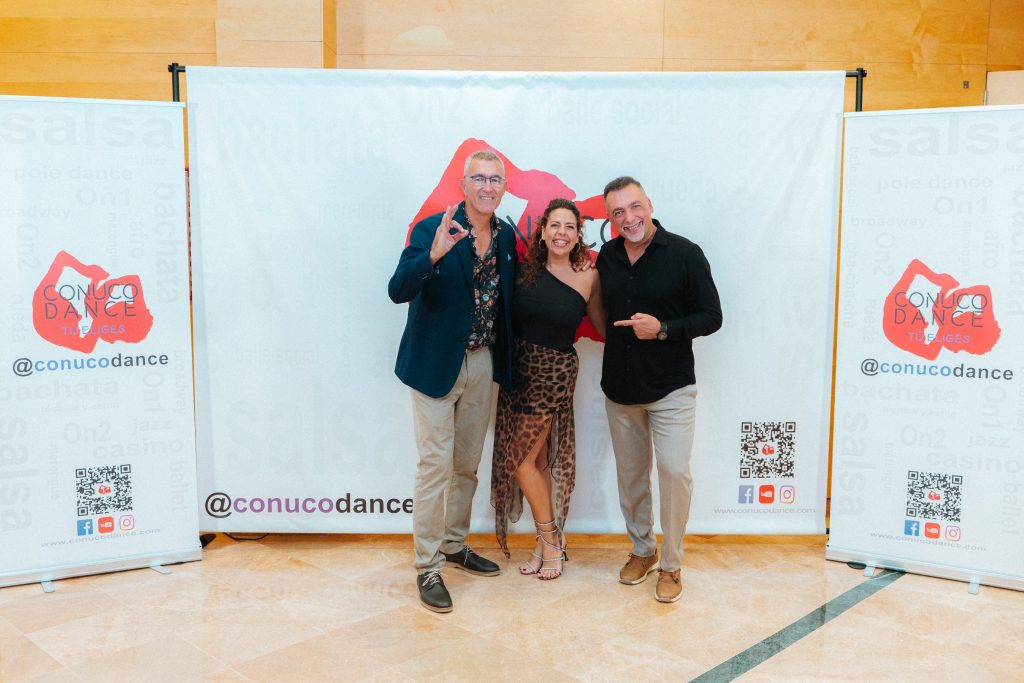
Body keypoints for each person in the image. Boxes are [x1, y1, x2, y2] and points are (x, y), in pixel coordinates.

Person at [388, 150, 518, 613]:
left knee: (466, 463)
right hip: (433, 364)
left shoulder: (507, 236)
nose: (487, 186)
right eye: (478, 178)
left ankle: (453, 543)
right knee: (435, 466)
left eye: (495, 179)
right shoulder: (433, 228)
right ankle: (427, 566)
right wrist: (434, 254)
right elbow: (397, 289)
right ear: (463, 185)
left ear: (504, 188)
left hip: (481, 362)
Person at [597, 176, 722, 603]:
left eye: (634, 206)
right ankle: (643, 550)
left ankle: (671, 564)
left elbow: (712, 316)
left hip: (671, 388)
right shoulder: (607, 257)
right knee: (631, 477)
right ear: (610, 218)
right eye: (618, 212)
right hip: (620, 387)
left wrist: (663, 329)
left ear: (649, 204)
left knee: (673, 473)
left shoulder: (686, 253)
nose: (628, 218)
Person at [491, 198, 604, 580]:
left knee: (520, 462)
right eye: (555, 225)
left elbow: (603, 327)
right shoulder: (524, 272)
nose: (561, 233)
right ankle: (545, 544)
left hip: (554, 374)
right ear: (542, 232)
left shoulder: (589, 277)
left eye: (570, 227)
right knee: (536, 463)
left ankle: (552, 542)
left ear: (578, 235)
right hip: (519, 373)